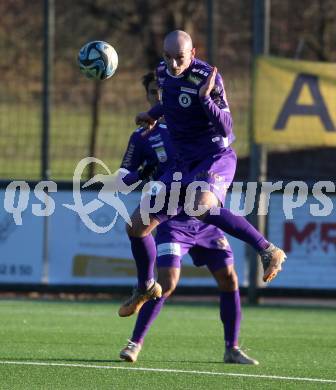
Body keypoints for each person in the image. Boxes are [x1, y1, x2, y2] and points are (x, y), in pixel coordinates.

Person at [119, 30, 286, 318]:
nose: (173, 64)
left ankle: (268, 250)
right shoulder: (163, 72)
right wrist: (154, 114)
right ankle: (146, 286)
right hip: (183, 163)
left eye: (180, 58)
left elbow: (227, 129)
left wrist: (205, 99)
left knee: (201, 206)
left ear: (193, 53)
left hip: (214, 156)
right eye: (168, 57)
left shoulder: (207, 77)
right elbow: (172, 101)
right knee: (136, 226)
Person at [119, 72, 258, 364]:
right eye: (153, 94)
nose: (158, 98)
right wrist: (141, 174)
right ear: (148, 98)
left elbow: (222, 140)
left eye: (161, 92)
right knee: (167, 283)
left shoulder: (191, 124)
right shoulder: (144, 135)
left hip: (204, 218)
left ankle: (231, 348)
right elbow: (123, 178)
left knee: (228, 278)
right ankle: (134, 342)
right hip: (171, 219)